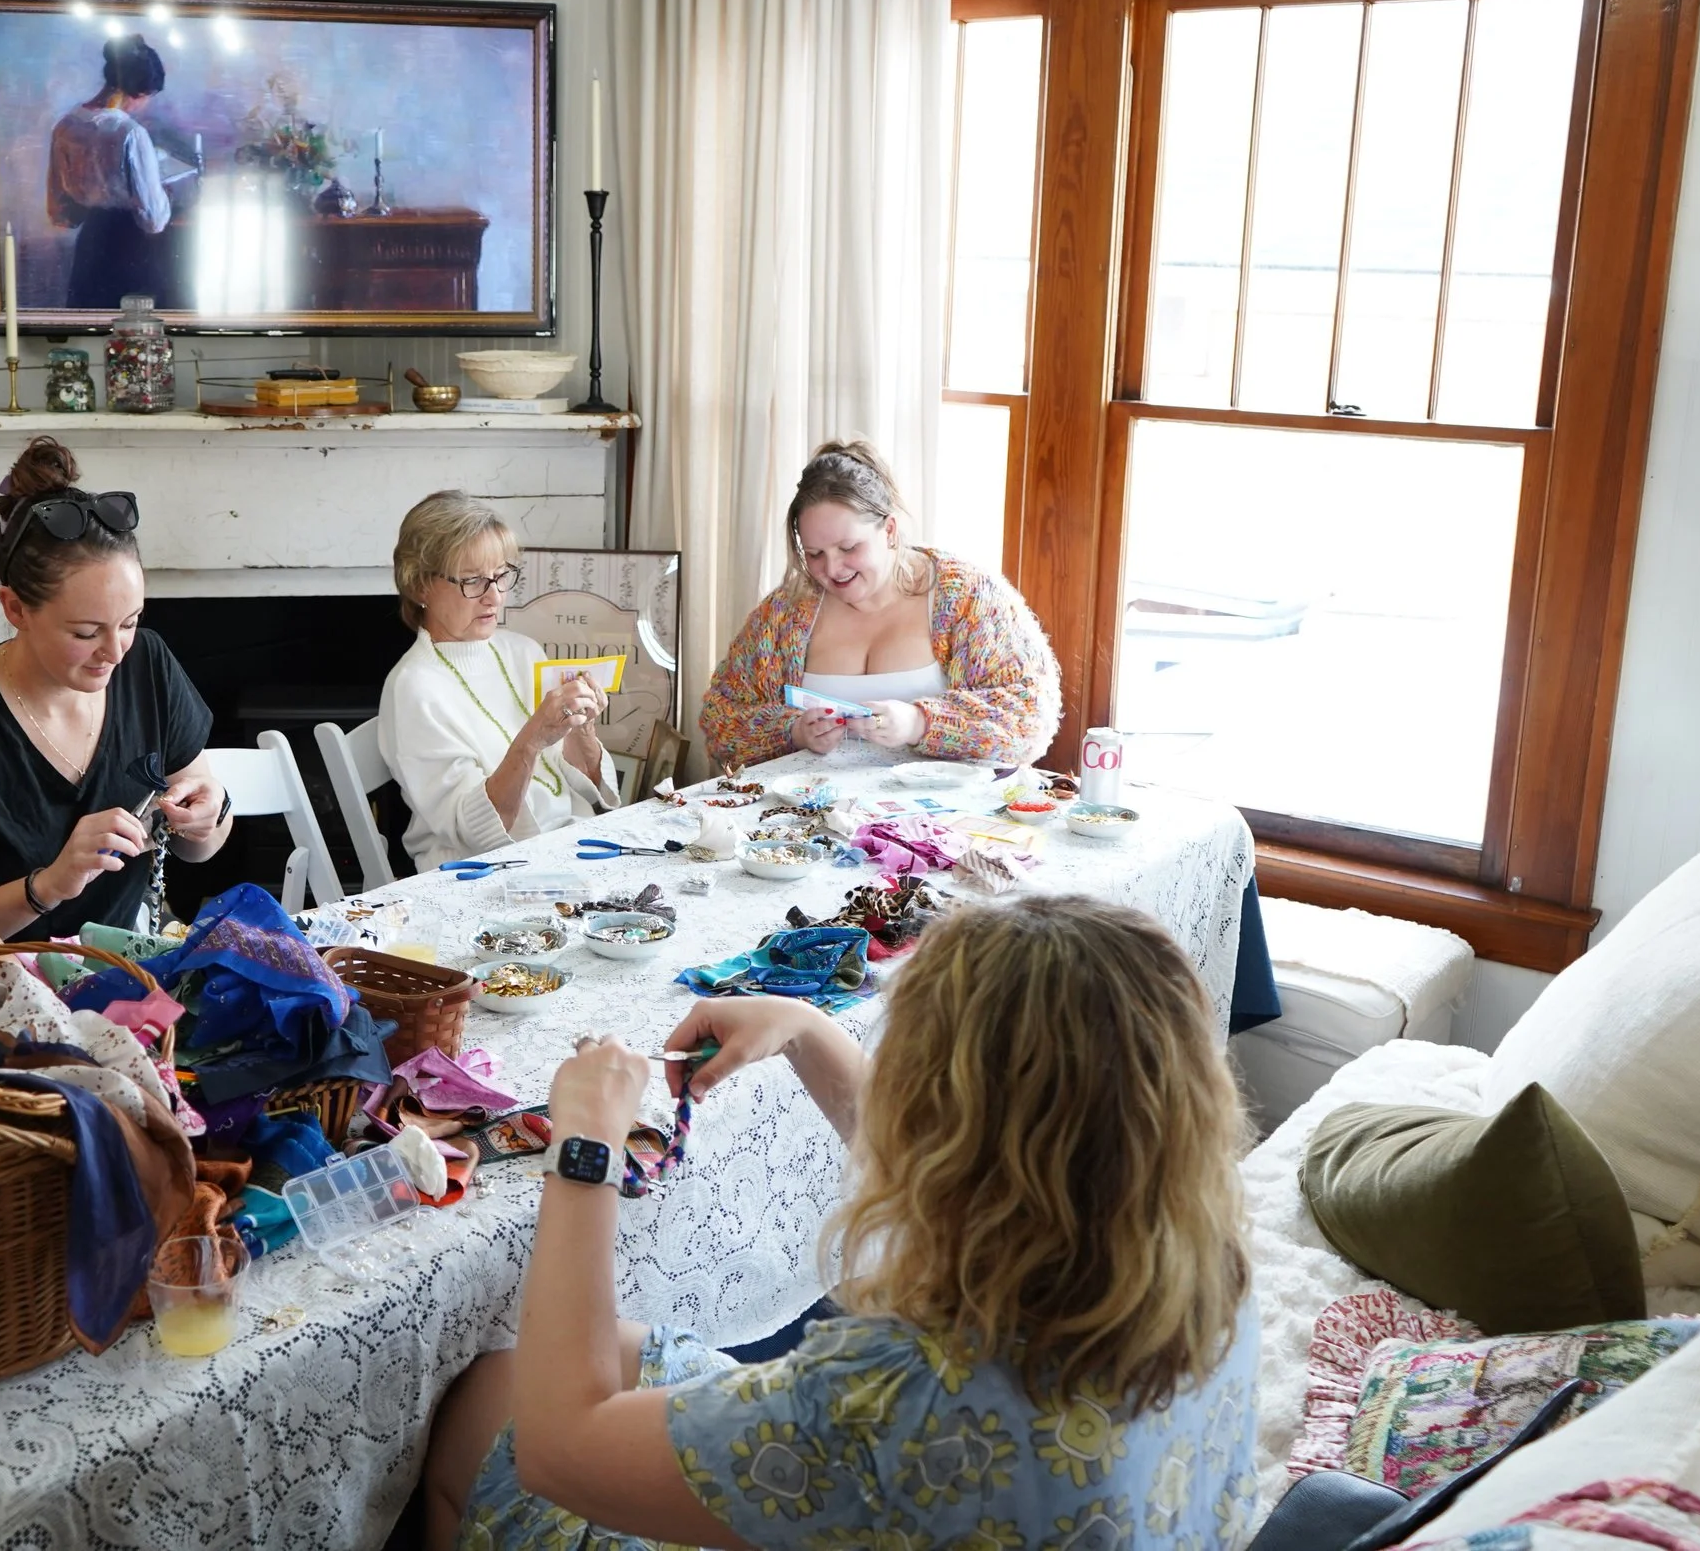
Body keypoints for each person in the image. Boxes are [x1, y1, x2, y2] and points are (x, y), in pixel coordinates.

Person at [423, 894, 1261, 1550]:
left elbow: (558, 1450)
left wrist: (587, 1146)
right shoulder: (1200, 1255)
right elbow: (975, 1156)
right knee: (615, 1348)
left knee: (485, 1404)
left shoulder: (896, 1401)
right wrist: (808, 1029)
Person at [0, 437, 232, 940]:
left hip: (128, 971)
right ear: (15, 609)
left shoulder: (148, 664)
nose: (115, 651)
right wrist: (51, 884)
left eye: (129, 622)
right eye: (85, 633)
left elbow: (203, 847)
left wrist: (208, 815)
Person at [699, 438, 1062, 774]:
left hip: (936, 827)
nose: (832, 570)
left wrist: (921, 723)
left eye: (848, 548)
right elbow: (721, 719)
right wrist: (792, 731)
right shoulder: (784, 614)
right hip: (808, 826)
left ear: (889, 531)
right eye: (814, 554)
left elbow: (1032, 716)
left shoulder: (968, 597)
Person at [377, 490, 617, 871]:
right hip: (480, 874)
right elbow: (475, 835)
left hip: (568, 849)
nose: (494, 598)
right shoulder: (414, 688)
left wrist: (582, 729)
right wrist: (531, 739)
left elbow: (588, 794)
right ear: (420, 585)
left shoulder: (523, 652)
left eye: (501, 576)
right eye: (472, 581)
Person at [46, 33, 196, 311]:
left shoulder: (65, 126)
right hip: (131, 252)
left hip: (90, 248)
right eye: (149, 97)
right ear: (140, 93)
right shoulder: (130, 133)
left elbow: (61, 214)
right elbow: (154, 219)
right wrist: (163, 192)